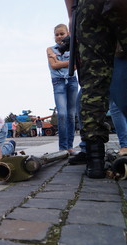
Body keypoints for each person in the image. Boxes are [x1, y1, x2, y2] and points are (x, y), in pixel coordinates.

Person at [65, 0, 127, 178]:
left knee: (93, 84)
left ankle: (96, 162)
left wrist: (73, 21)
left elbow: (71, 10)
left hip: (89, 7)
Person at [46, 23, 78, 156]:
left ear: (67, 34)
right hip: (58, 82)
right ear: (54, 37)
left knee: (71, 114)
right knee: (62, 114)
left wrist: (59, 62)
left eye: (62, 34)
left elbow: (75, 65)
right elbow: (53, 66)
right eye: (57, 34)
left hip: (72, 81)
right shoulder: (50, 49)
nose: (59, 36)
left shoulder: (73, 48)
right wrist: (67, 63)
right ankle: (62, 147)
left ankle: (70, 146)